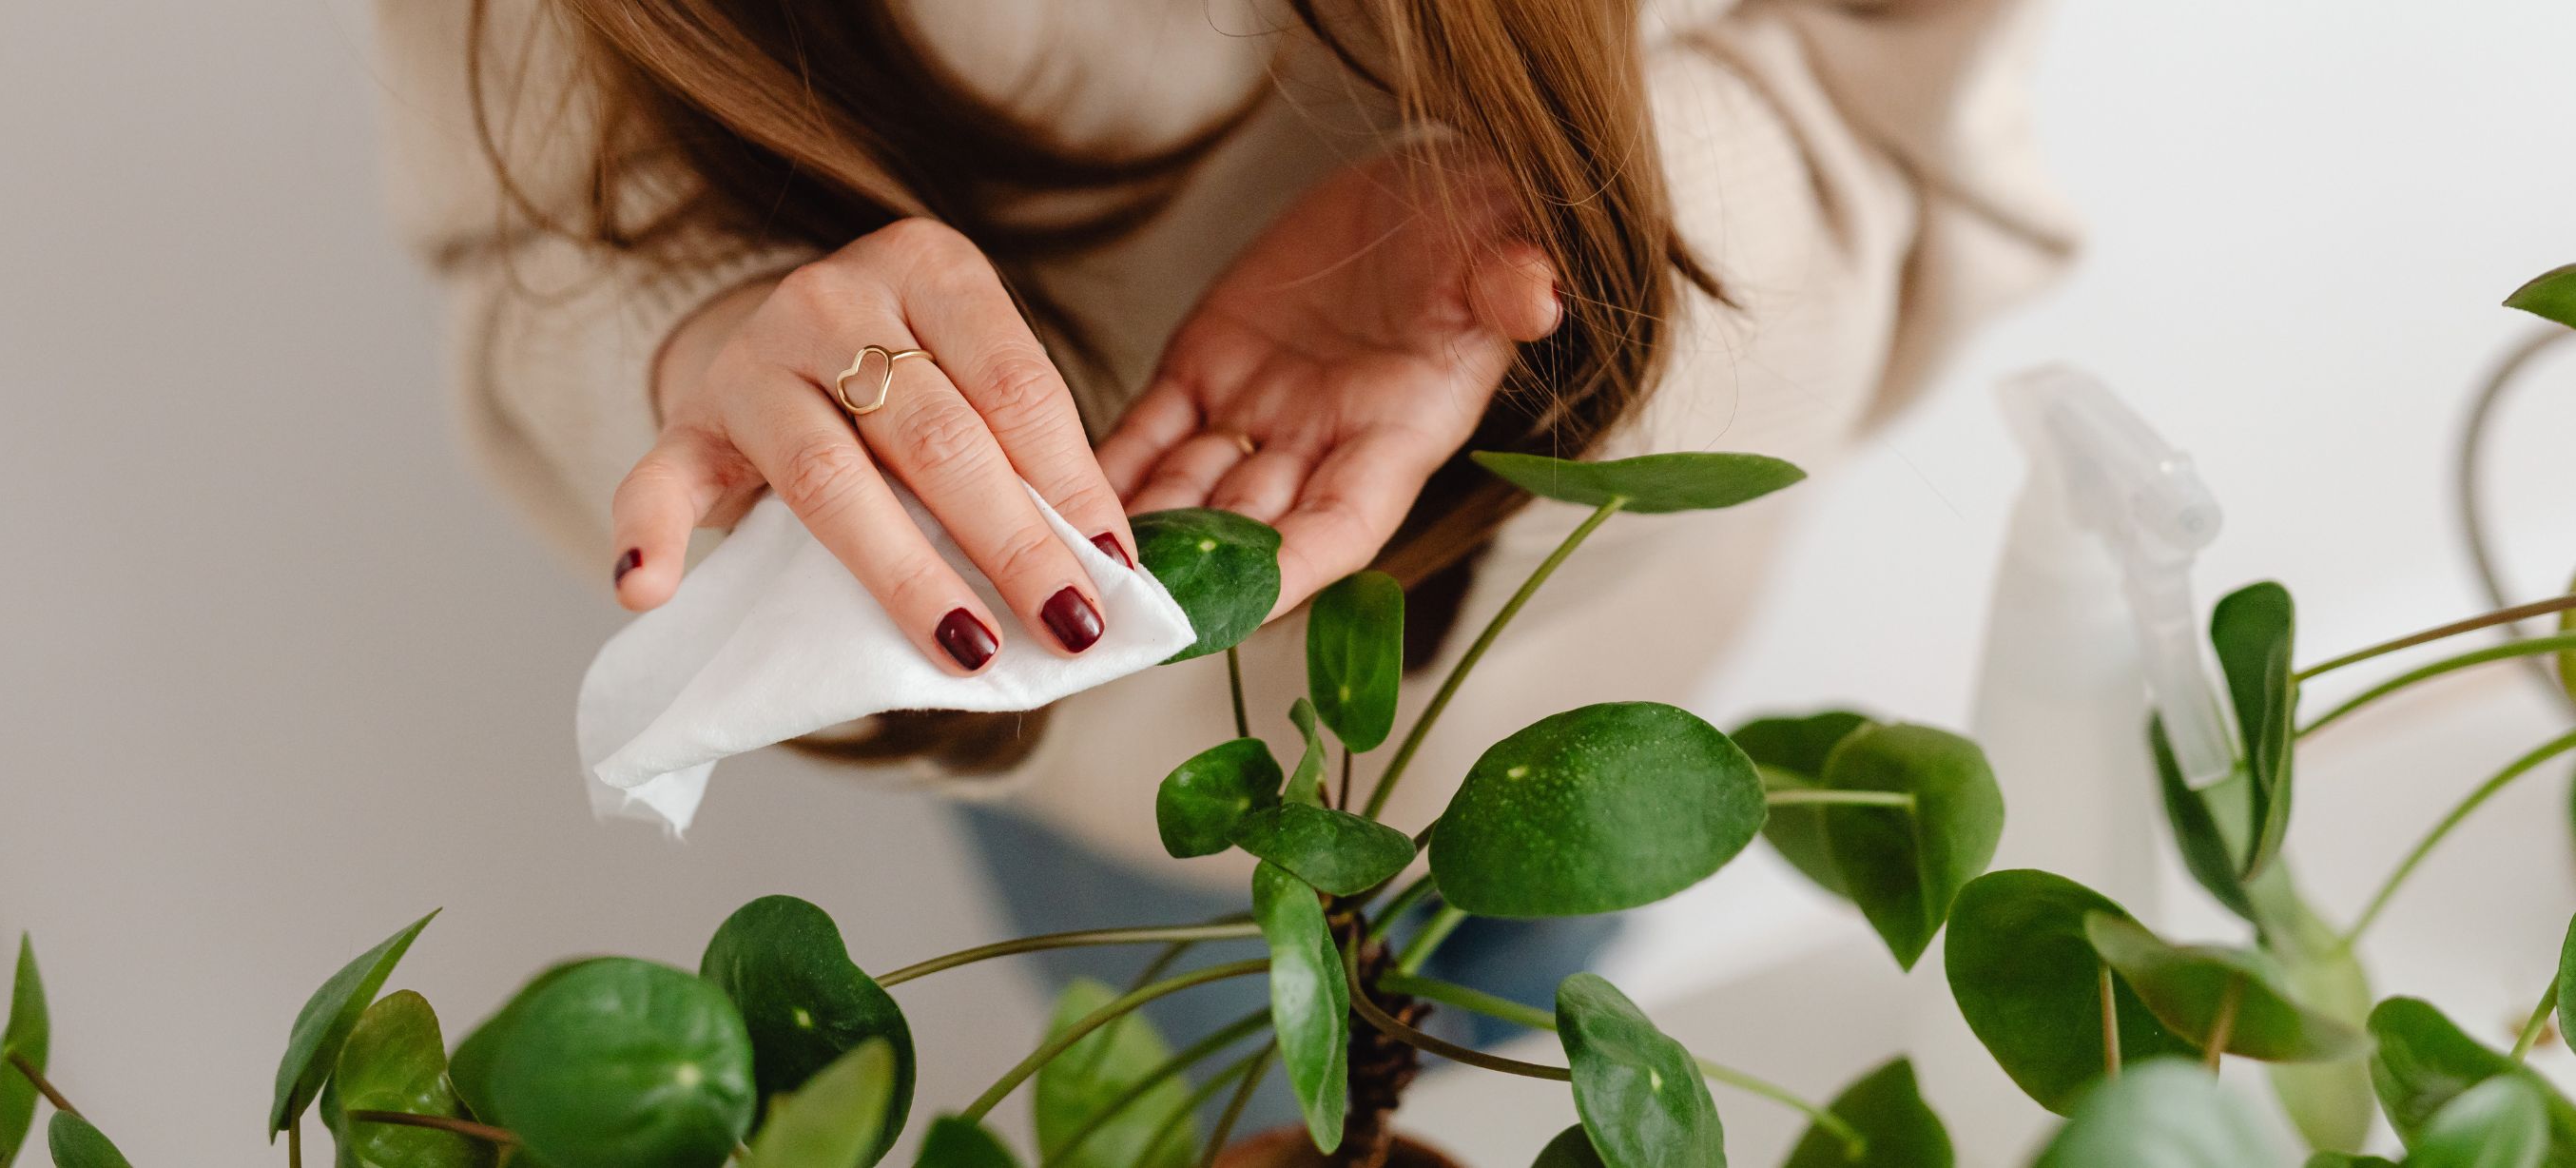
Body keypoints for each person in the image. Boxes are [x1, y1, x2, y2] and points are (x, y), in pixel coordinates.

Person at [373, 0, 2069, 1110]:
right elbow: (519, 226)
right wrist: (720, 345)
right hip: (1123, 808)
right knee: (1221, 1095)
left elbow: (1901, 77)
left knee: (1559, 1037)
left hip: (1593, 698)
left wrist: (1592, 227)